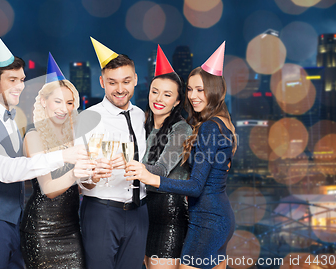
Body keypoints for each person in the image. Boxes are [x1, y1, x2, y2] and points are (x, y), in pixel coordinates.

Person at [0, 34, 89, 269]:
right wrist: (62, 157)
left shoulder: (14, 118)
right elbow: (4, 170)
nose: (20, 86)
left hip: (19, 223)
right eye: (12, 79)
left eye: (22, 79)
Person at [125, 42, 237, 269]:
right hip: (215, 217)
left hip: (207, 220)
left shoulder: (209, 127)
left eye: (201, 89)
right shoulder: (221, 124)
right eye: (190, 89)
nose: (193, 96)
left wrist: (151, 178)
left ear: (215, 91)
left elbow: (196, 186)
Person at [20, 53, 100, 269]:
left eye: (69, 102)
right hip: (42, 230)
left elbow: (84, 187)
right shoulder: (33, 136)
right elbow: (48, 188)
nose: (63, 108)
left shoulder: (75, 137)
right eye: (57, 101)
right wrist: (75, 173)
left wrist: (94, 176)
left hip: (72, 228)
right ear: (44, 102)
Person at [77, 37, 148, 269]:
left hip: (140, 211)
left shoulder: (141, 115)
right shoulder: (87, 118)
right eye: (112, 82)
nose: (120, 89)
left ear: (135, 79)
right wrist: (93, 177)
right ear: (102, 82)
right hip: (101, 211)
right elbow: (78, 179)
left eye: (126, 81)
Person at [142, 45, 192, 269]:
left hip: (169, 212)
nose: (159, 98)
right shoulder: (141, 123)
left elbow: (161, 170)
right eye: (155, 91)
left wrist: (124, 166)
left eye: (167, 94)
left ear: (178, 101)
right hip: (142, 212)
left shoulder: (181, 129)